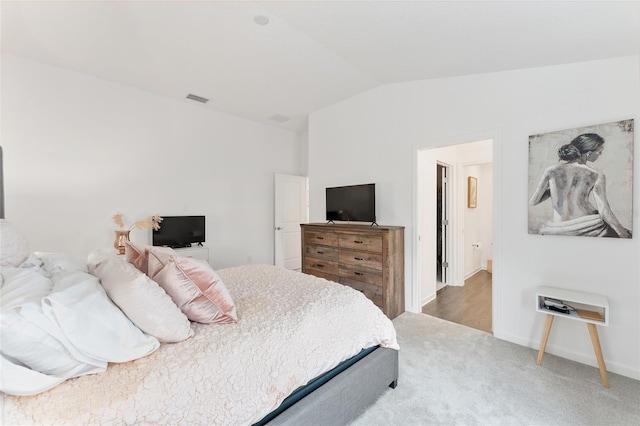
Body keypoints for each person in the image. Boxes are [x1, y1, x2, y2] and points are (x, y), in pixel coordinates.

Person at [529, 133, 631, 238]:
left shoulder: (551, 170)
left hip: (557, 227)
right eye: (599, 151)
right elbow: (604, 210)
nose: (600, 154)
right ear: (589, 154)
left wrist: (557, 189)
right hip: (589, 225)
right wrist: (622, 232)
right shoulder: (596, 175)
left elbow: (533, 201)